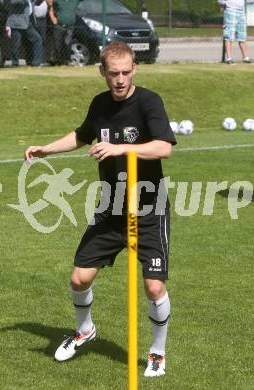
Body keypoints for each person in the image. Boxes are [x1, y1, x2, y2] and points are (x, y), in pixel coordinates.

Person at [25, 42, 177, 378]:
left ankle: (157, 353)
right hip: (111, 209)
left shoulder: (149, 102)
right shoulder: (100, 104)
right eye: (114, 73)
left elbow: (164, 147)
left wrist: (120, 148)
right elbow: (82, 135)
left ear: (134, 69)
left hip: (149, 209)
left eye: (126, 72)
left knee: (153, 287)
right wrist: (46, 150)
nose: (120, 79)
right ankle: (85, 331)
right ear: (103, 73)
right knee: (79, 278)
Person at [5, 0, 43, 66]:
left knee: (37, 39)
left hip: (27, 22)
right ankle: (15, 63)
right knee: (16, 44)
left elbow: (37, 3)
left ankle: (36, 62)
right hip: (16, 23)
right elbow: (12, 2)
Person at [218, 0, 252, 64]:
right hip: (230, 10)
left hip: (241, 11)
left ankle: (245, 58)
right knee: (229, 35)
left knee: (242, 35)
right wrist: (223, 6)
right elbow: (221, 1)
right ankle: (229, 58)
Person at [47, 0, 81, 65]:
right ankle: (57, 61)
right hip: (59, 26)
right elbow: (50, 6)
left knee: (67, 43)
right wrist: (52, 17)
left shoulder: (74, 1)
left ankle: (66, 61)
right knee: (57, 45)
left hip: (70, 27)